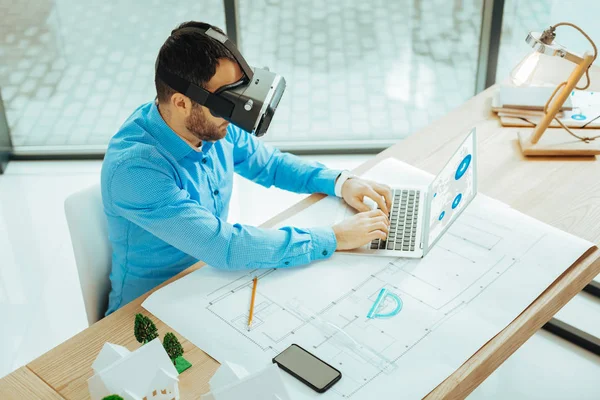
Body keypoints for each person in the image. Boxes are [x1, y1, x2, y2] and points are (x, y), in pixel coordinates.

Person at [101, 21, 391, 315]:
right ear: (181, 103)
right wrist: (335, 237)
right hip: (148, 308)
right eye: (226, 102)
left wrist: (340, 182)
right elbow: (224, 246)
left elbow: (271, 165)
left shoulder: (211, 125)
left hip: (210, 282)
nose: (237, 111)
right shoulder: (135, 170)